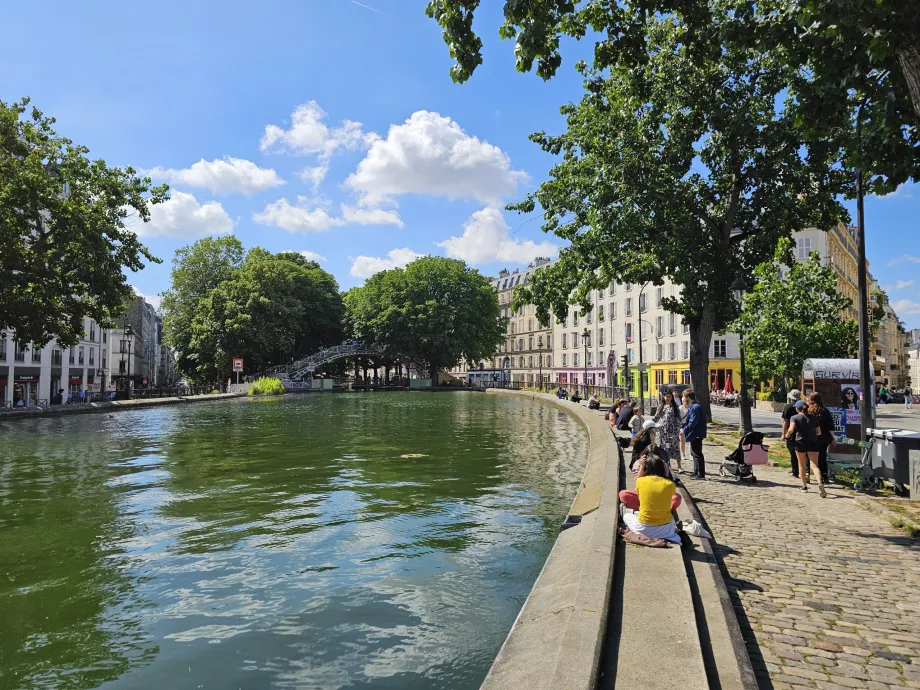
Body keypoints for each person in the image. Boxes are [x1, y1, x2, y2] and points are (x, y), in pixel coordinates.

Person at [619, 449, 682, 544]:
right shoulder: (670, 484)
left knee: (627, 516)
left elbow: (637, 486)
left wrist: (642, 467)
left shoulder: (641, 481)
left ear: (646, 468)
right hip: (666, 530)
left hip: (644, 529)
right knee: (676, 498)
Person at [787, 399, 826, 497]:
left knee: (802, 465)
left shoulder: (794, 417)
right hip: (812, 442)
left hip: (800, 442)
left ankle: (804, 486)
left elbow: (791, 429)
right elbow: (819, 432)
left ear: (797, 408)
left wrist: (787, 435)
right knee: (815, 465)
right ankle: (820, 482)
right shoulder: (813, 417)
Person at [655, 386, 683, 475]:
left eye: (669, 397)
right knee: (666, 449)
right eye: (666, 396)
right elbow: (656, 418)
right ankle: (668, 465)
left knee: (675, 448)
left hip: (672, 431)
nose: (668, 398)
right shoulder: (660, 407)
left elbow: (679, 419)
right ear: (663, 397)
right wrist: (650, 425)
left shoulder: (675, 407)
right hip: (663, 432)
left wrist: (677, 429)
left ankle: (679, 466)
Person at [810, 392, 836, 485]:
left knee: (811, 458)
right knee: (822, 457)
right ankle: (824, 476)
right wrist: (833, 438)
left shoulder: (810, 411)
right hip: (824, 438)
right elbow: (830, 426)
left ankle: (808, 474)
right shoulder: (825, 411)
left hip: (812, 438)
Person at [681, 389, 707, 479]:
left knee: (697, 453)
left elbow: (693, 422)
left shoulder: (695, 407)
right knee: (693, 452)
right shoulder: (693, 406)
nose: (683, 398)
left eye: (684, 396)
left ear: (688, 397)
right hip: (695, 433)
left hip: (696, 433)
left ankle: (700, 474)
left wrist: (684, 430)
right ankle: (696, 471)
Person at [781, 389, 805, 479]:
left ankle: (795, 471)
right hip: (803, 432)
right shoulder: (804, 406)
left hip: (791, 433)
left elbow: (785, 421)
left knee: (793, 453)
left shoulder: (788, 407)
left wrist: (784, 434)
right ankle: (805, 472)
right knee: (803, 453)